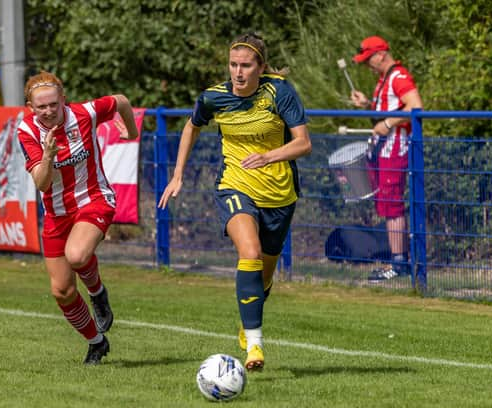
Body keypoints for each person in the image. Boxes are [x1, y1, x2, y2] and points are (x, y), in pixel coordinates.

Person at [158, 33, 311, 372]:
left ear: (261, 67)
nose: (238, 73)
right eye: (233, 65)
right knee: (250, 252)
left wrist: (269, 156)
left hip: (280, 193)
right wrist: (178, 174)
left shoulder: (279, 92)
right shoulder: (214, 97)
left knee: (264, 276)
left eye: (246, 66)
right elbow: (191, 127)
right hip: (235, 185)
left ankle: (248, 320)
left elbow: (303, 144)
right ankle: (254, 345)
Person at [17, 71, 138, 365]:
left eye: (53, 105)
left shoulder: (85, 113)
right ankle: (97, 342)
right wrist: (47, 156)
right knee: (61, 290)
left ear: (63, 100)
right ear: (31, 107)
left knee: (76, 254)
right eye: (41, 107)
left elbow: (121, 100)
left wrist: (132, 133)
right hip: (57, 214)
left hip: (94, 199)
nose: (48, 112)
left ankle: (97, 292)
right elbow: (42, 183)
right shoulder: (27, 131)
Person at [350, 35, 423, 282]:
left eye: (368, 59)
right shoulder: (385, 80)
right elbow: (388, 108)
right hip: (385, 148)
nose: (367, 65)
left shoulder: (398, 76)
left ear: (380, 54)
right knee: (387, 204)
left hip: (396, 147)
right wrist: (368, 104)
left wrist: (388, 122)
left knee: (392, 205)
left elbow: (414, 105)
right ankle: (397, 260)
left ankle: (399, 263)